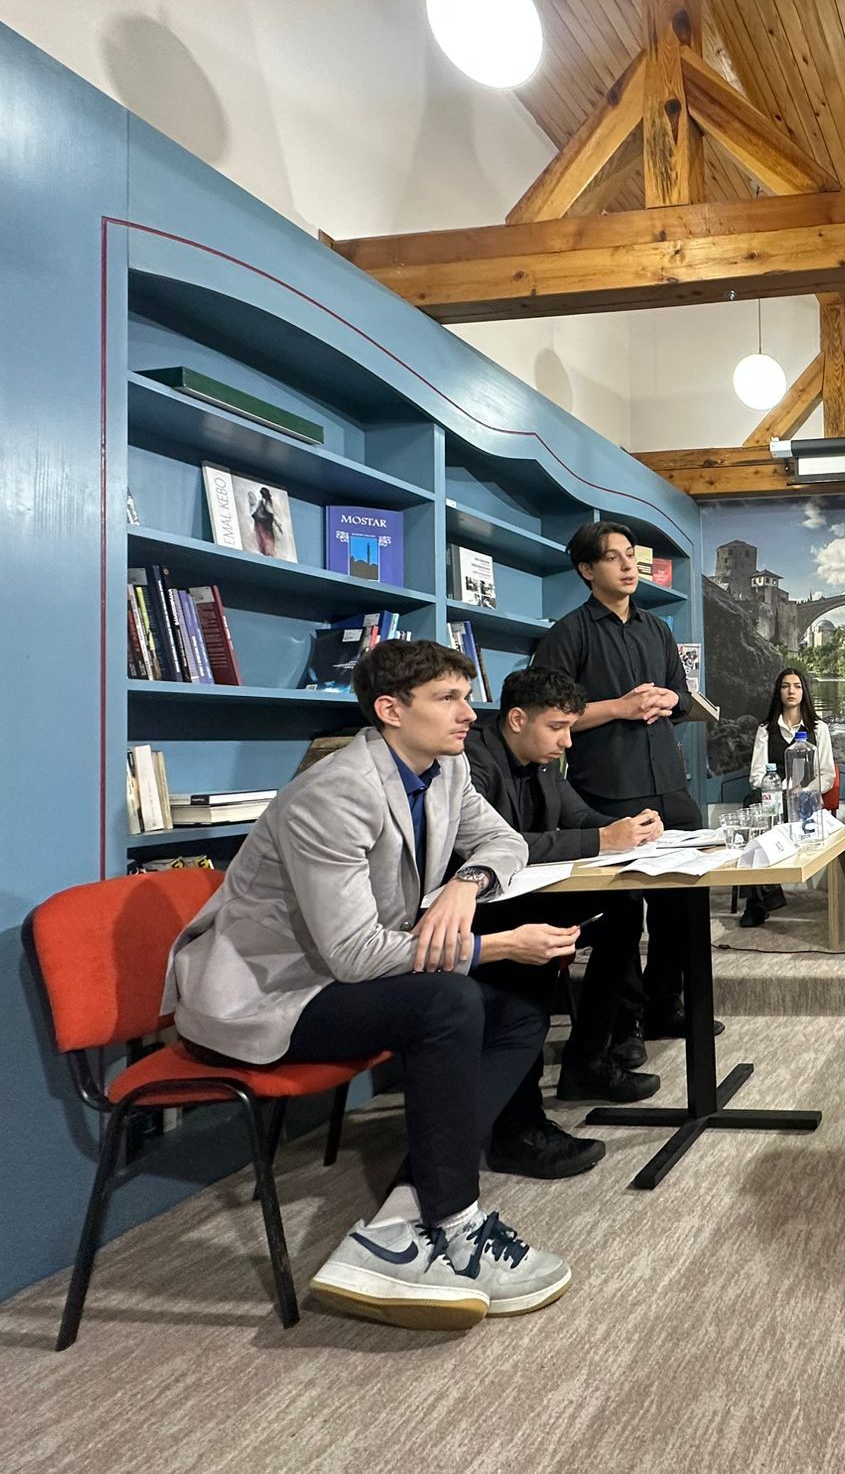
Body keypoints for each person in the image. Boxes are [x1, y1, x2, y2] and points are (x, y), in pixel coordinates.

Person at [163, 639, 577, 1330]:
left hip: (338, 975)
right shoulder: (334, 794)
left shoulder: (444, 769)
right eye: (447, 698)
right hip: (268, 995)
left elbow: (506, 842)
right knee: (450, 999)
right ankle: (455, 1221)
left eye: (465, 696)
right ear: (390, 709)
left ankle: (403, 1218)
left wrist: (466, 885)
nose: (468, 713)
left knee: (519, 1010)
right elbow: (356, 955)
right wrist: (499, 944)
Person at [462, 666, 667, 1166]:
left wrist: (627, 828)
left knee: (622, 907)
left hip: (529, 894)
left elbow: (577, 817)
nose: (567, 742)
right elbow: (497, 844)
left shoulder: (545, 759)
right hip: (477, 907)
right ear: (517, 720)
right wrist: (600, 840)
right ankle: (516, 1127)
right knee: (531, 947)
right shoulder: (472, 762)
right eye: (557, 728)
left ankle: (587, 1060)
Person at [532, 520, 716, 1059]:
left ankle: (666, 1003)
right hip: (607, 789)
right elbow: (548, 714)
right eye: (613, 557)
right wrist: (620, 707)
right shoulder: (569, 633)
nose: (628, 565)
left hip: (669, 784)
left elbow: (682, 697)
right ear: (587, 570)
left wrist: (669, 700)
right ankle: (625, 1024)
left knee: (683, 899)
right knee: (623, 911)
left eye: (631, 555)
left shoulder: (656, 629)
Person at [740, 666, 837, 928]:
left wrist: (802, 789)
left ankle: (759, 901)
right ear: (778, 692)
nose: (791, 691)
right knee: (753, 803)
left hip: (806, 799)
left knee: (759, 811)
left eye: (796, 686)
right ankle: (760, 898)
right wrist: (780, 788)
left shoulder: (818, 728)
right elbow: (756, 775)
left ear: (804, 691)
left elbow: (827, 775)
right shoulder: (765, 729)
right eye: (785, 686)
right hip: (773, 796)